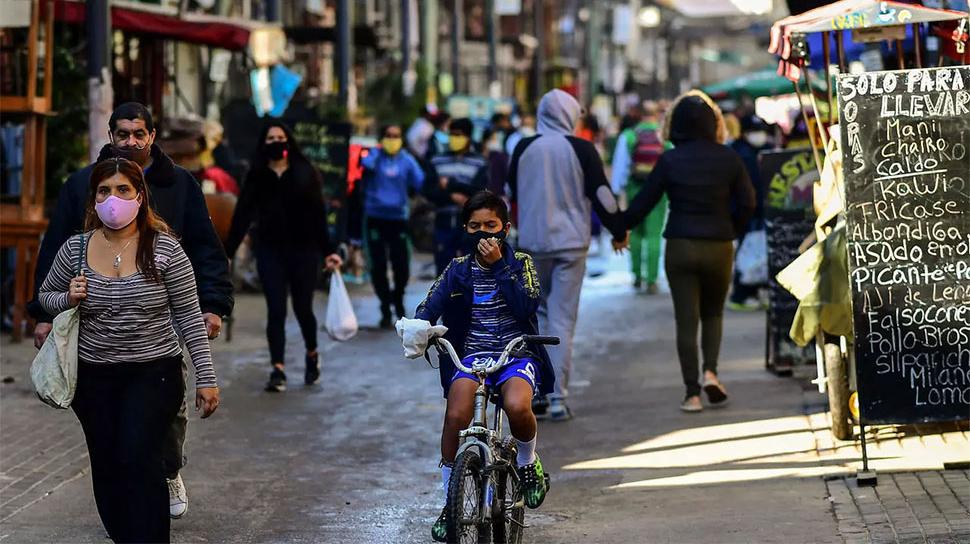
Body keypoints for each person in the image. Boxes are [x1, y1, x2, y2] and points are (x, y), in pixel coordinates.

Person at [27, 102, 232, 520]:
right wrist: (51, 310)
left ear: (152, 137)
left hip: (159, 347)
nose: (131, 141)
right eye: (123, 134)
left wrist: (214, 305)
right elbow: (52, 264)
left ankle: (166, 476)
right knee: (111, 459)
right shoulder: (80, 203)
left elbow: (206, 251)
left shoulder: (179, 190)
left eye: (139, 134)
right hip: (96, 365)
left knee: (147, 446)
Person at [412, 191, 554, 542]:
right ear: (465, 229)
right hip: (471, 356)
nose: (483, 233)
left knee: (518, 406)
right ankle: (451, 500)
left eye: (491, 226)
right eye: (475, 226)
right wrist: (419, 328)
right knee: (456, 416)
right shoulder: (457, 268)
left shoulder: (521, 262)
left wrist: (501, 268)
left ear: (505, 228)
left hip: (515, 353)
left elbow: (527, 306)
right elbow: (428, 305)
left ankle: (527, 462)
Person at [623, 91, 756, 413]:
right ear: (713, 124)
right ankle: (711, 372)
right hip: (719, 245)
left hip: (680, 244)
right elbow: (749, 202)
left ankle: (692, 394)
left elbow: (644, 202)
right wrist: (732, 229)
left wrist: (619, 228)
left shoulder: (670, 159)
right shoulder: (729, 158)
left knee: (687, 321)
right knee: (713, 314)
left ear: (676, 124)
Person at [508, 89, 628, 421]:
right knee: (562, 319)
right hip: (571, 245)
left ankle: (539, 394)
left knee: (538, 317)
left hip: (532, 243)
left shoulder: (523, 147)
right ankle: (557, 396)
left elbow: (510, 194)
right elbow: (603, 196)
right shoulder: (581, 149)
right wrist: (619, 230)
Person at [225, 120, 343, 392]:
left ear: (288, 142)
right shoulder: (256, 176)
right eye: (270, 139)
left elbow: (318, 217)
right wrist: (227, 252)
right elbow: (242, 215)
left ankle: (312, 354)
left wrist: (329, 252)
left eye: (280, 137)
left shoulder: (305, 172)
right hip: (270, 251)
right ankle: (277, 368)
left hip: (304, 251)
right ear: (263, 145)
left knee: (303, 310)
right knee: (276, 310)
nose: (275, 142)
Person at [360, 124, 426, 327]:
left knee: (401, 266)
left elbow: (420, 181)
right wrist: (377, 152)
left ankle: (397, 299)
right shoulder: (374, 156)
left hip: (398, 219)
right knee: (377, 266)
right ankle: (384, 304)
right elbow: (365, 166)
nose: (392, 139)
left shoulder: (406, 160)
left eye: (396, 136)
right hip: (375, 218)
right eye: (388, 136)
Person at [611, 100, 669, 294]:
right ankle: (652, 279)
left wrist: (617, 190)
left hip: (634, 189)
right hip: (659, 192)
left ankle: (636, 276)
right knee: (654, 235)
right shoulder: (664, 137)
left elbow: (620, 166)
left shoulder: (629, 136)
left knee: (634, 233)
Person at [424, 118, 488, 275]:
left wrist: (451, 184)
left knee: (471, 272)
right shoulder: (437, 161)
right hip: (444, 222)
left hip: (470, 225)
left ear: (468, 136)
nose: (454, 139)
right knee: (444, 273)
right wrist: (453, 197)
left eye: (458, 135)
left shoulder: (479, 162)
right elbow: (429, 191)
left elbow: (478, 191)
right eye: (451, 135)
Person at [728, 114, 772, 311]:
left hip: (761, 209)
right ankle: (742, 293)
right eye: (754, 131)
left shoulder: (766, 150)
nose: (758, 135)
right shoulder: (738, 152)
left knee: (759, 252)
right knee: (747, 251)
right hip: (744, 211)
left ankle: (756, 290)